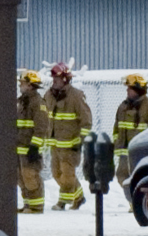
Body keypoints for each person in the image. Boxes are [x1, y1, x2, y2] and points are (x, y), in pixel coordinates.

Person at [42, 62, 92, 211]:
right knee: (57, 174)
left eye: (56, 79)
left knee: (67, 174)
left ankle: (62, 202)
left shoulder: (76, 96)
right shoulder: (48, 95)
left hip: (71, 145)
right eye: (53, 79)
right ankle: (78, 197)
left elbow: (86, 121)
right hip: (55, 144)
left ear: (65, 79)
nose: (54, 82)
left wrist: (81, 142)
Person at [111, 73, 148, 192]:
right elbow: (116, 128)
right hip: (125, 153)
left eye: (130, 88)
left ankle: (140, 202)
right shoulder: (123, 107)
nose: (127, 91)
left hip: (142, 153)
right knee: (121, 177)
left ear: (138, 89)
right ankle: (134, 201)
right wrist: (117, 144)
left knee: (139, 178)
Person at [15, 69, 48, 214]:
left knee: (31, 176)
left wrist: (35, 146)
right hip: (19, 147)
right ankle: (28, 204)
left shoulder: (37, 103)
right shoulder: (22, 102)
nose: (20, 85)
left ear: (30, 85)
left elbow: (41, 127)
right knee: (21, 177)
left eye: (22, 83)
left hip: (30, 148)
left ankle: (36, 206)